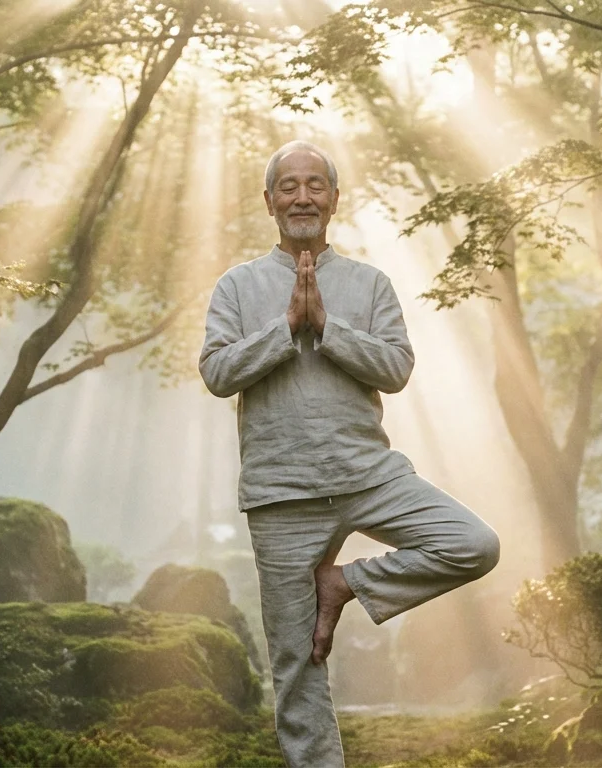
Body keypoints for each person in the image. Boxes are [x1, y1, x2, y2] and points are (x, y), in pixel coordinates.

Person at [197, 140, 501, 767]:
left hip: (369, 475)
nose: (302, 196)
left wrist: (327, 328)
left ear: (335, 198)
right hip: (282, 494)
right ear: (269, 201)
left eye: (315, 185)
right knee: (297, 667)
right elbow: (218, 372)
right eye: (288, 186)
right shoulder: (237, 285)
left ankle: (343, 585)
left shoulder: (369, 283)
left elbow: (395, 369)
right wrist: (285, 328)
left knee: (473, 543)